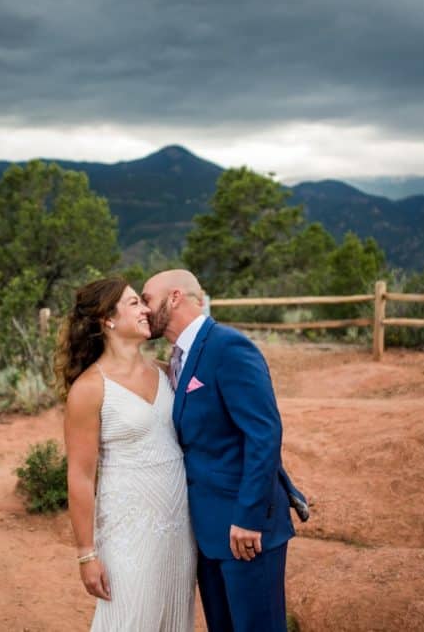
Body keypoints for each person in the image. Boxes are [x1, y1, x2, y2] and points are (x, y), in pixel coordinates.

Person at [141, 269, 307, 632]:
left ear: (175, 298)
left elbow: (263, 434)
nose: (142, 308)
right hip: (207, 532)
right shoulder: (179, 358)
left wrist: (248, 517)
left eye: (147, 298)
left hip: (245, 531)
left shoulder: (228, 347)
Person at [58, 277, 196, 631]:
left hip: (180, 530)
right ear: (107, 318)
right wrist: (86, 554)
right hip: (127, 531)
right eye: (134, 303)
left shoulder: (167, 373)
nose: (146, 309)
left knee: (174, 621)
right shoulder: (90, 389)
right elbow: (81, 475)